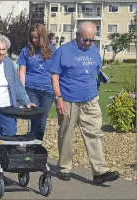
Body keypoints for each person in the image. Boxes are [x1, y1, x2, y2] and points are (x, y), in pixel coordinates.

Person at [50, 21, 119, 184]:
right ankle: (64, 168)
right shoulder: (63, 51)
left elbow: (95, 71)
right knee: (66, 135)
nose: (88, 43)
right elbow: (54, 76)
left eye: (91, 40)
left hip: (90, 99)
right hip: (68, 100)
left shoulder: (94, 50)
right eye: (85, 40)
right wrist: (58, 98)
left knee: (94, 133)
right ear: (77, 35)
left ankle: (99, 171)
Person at [17, 23, 57, 141]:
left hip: (47, 91)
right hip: (31, 89)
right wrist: (22, 93)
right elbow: (22, 73)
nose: (34, 40)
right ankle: (31, 145)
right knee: (34, 118)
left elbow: (56, 73)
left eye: (36, 37)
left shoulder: (52, 50)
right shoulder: (26, 51)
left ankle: (37, 145)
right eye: (32, 37)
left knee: (42, 121)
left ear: (43, 36)